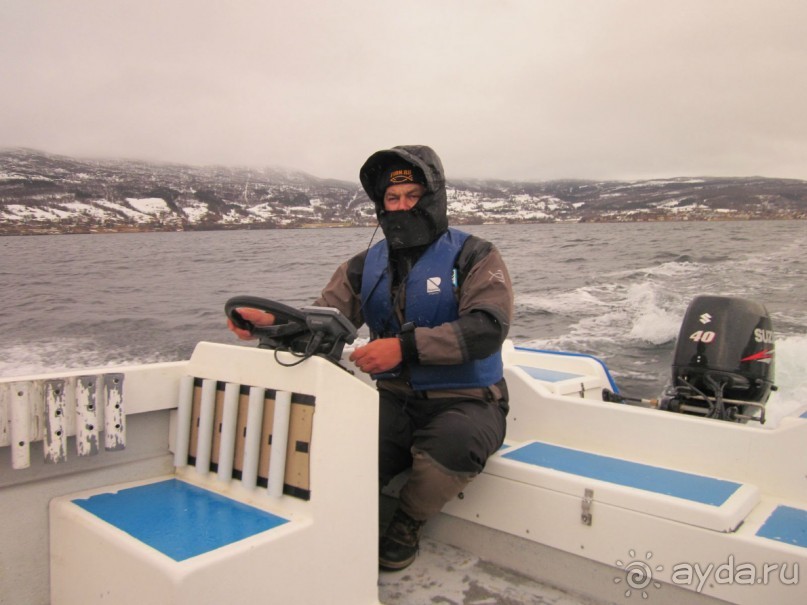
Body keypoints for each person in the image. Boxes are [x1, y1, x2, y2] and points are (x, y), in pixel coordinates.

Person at [227, 145, 513, 571]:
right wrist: (267, 323)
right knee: (343, 442)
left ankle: (408, 520)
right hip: (394, 399)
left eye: (412, 196)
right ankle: (338, 521)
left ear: (433, 198)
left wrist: (403, 347)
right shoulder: (362, 267)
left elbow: (488, 327)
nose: (401, 207)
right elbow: (321, 324)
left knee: (455, 445)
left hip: (468, 399)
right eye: (391, 199)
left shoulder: (476, 255)